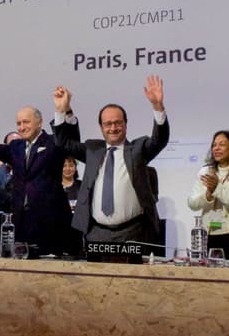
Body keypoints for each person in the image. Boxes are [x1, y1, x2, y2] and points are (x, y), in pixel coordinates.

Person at [52, 75, 169, 246]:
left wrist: (158, 106)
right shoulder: (92, 149)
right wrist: (63, 110)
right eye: (108, 124)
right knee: (96, 274)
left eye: (118, 123)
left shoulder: (138, 149)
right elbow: (63, 143)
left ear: (126, 124)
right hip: (96, 232)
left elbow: (160, 140)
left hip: (134, 233)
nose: (113, 128)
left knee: (132, 274)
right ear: (101, 127)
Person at [0, 95, 77, 256]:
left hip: (50, 222)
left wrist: (63, 110)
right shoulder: (15, 147)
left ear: (39, 123)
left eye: (26, 122)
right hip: (21, 223)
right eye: (18, 123)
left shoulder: (54, 142)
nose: (21, 127)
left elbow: (70, 138)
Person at [187, 131, 229, 259]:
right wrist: (207, 195)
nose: (216, 148)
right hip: (207, 235)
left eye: (222, 144)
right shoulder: (205, 171)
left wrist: (218, 189)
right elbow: (192, 203)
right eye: (214, 145)